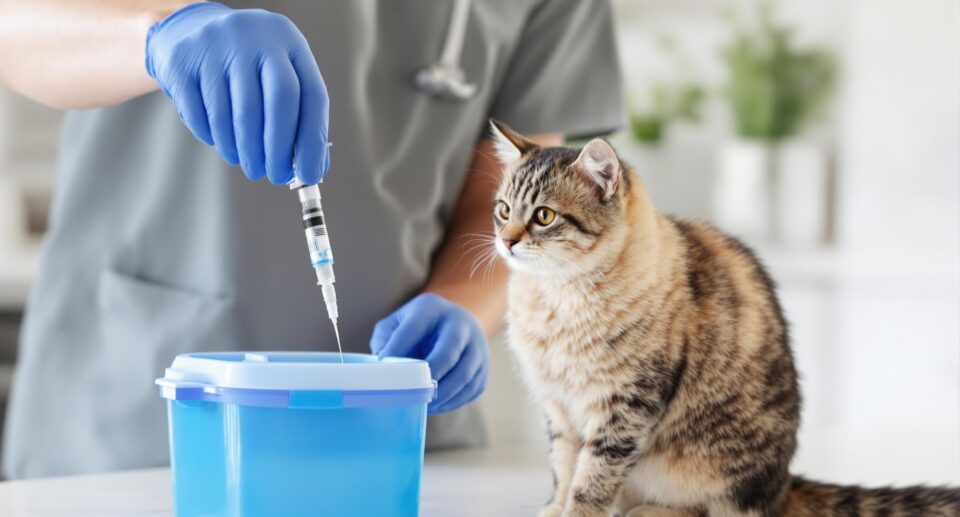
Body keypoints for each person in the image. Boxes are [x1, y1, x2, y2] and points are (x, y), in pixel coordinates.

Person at [0, 0, 623, 479]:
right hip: (136, 425)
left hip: (398, 434)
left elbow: (522, 194)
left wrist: (462, 307)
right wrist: (159, 32)